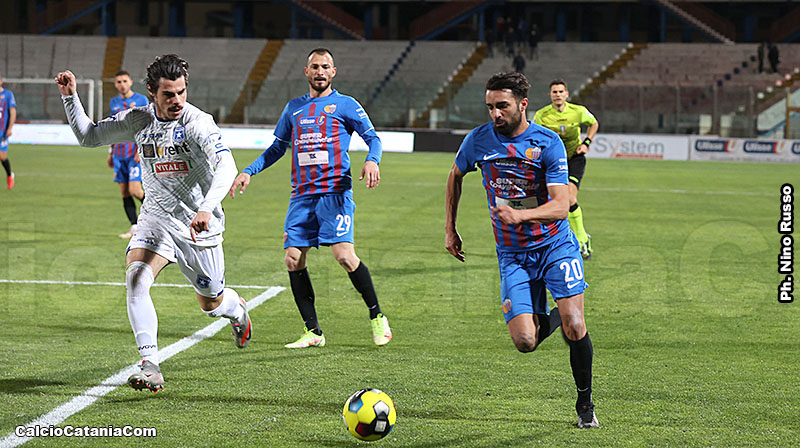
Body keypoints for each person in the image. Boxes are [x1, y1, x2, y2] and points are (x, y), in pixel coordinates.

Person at [55, 54, 251, 393]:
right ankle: (150, 365)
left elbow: (227, 167)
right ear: (151, 91)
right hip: (155, 218)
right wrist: (70, 98)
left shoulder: (198, 122)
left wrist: (206, 208)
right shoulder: (138, 119)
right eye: (168, 94)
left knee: (211, 303)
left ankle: (237, 311)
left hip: (197, 224)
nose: (177, 100)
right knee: (136, 279)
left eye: (181, 92)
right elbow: (89, 136)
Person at [445, 72, 598, 428]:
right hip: (513, 255)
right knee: (526, 341)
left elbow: (561, 205)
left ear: (523, 104)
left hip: (555, 245)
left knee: (576, 325)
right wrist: (450, 228)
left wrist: (521, 215)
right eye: (490, 107)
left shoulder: (547, 142)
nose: (495, 114)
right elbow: (455, 175)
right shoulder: (478, 140)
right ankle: (560, 311)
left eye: (502, 106)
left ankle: (585, 404)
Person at [229, 48, 391, 349]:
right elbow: (277, 148)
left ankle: (377, 316)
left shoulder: (346, 105)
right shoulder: (294, 109)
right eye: (315, 67)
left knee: (344, 256)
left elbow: (373, 138)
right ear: (306, 72)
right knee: (293, 259)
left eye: (325, 67)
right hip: (302, 196)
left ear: (333, 72)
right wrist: (249, 171)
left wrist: (372, 160)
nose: (320, 72)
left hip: (334, 193)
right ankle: (313, 331)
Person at [533, 79, 598, 260]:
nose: (558, 95)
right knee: (551, 201)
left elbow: (594, 123)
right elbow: (534, 135)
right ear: (550, 95)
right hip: (553, 162)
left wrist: (586, 143)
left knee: (569, 198)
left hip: (574, 159)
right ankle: (556, 241)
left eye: (561, 91)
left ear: (566, 94)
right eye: (554, 92)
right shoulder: (542, 115)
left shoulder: (578, 111)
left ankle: (582, 239)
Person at [108, 70, 148, 238]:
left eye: (125, 81)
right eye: (119, 82)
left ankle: (161, 215)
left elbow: (147, 126)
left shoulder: (141, 100)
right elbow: (113, 128)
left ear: (131, 82)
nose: (122, 84)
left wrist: (141, 149)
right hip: (119, 153)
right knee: (124, 191)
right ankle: (134, 227)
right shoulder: (114, 102)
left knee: (135, 190)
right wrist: (110, 152)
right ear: (115, 84)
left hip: (134, 152)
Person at [0, 75, 17, 190]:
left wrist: (10, 128)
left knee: (2, 156)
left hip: (2, 131)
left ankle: (10, 175)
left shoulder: (7, 95)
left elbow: (13, 112)